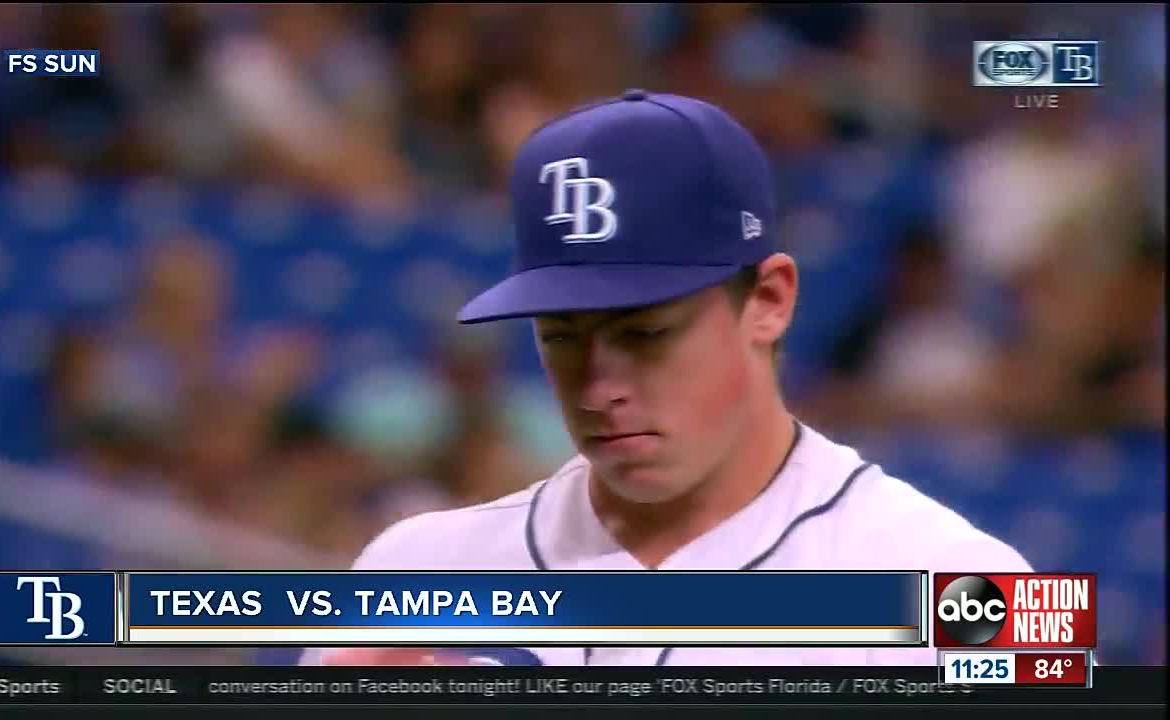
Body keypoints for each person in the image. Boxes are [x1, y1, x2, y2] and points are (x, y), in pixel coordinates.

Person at [301, 90, 1032, 667]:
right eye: (561, 338)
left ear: (769, 301)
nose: (597, 388)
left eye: (643, 335)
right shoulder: (416, 572)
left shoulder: (965, 587)